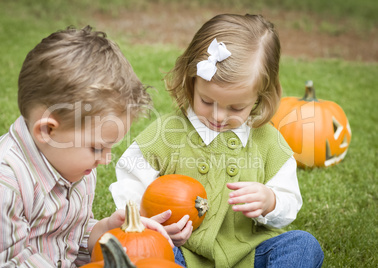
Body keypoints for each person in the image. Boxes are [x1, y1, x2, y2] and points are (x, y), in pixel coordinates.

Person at [110, 14, 324, 267]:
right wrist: (150, 223)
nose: (218, 116)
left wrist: (270, 201)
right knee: (145, 253)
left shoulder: (269, 142)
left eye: (235, 108)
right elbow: (130, 178)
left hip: (251, 253)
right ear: (191, 83)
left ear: (259, 97)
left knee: (304, 245)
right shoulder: (168, 133)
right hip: (182, 251)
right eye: (206, 101)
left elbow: (289, 201)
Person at [0, 25, 173, 267]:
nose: (106, 159)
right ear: (48, 131)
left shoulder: (74, 166)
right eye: (97, 148)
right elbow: (6, 262)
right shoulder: (2, 182)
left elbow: (71, 237)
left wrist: (107, 229)